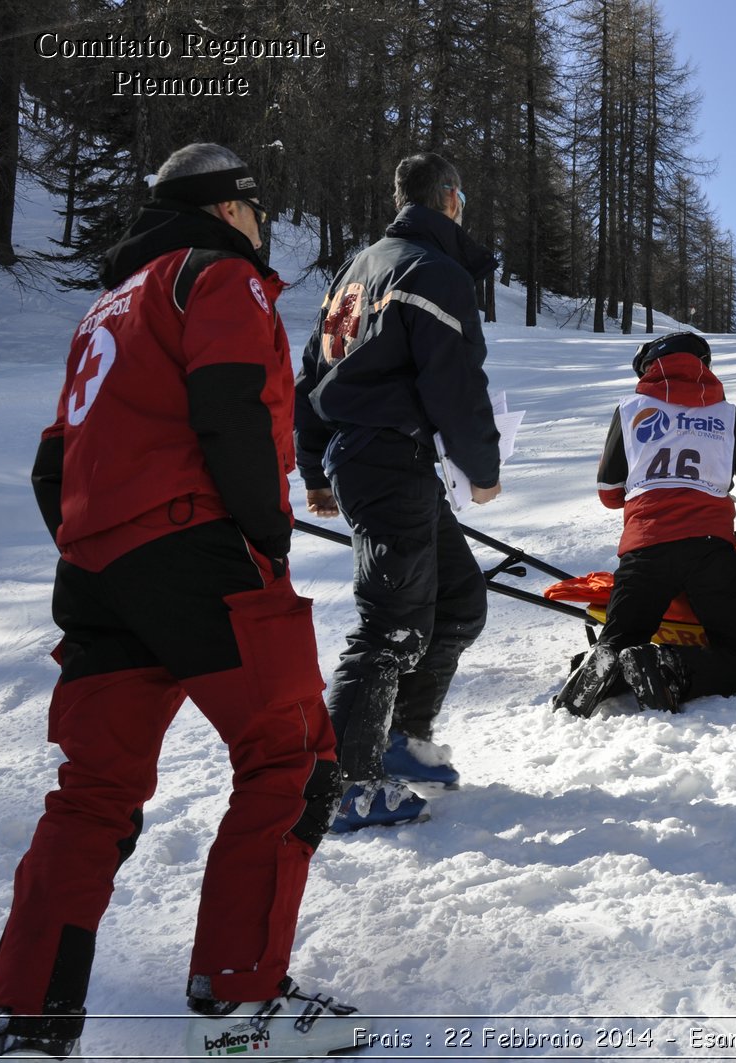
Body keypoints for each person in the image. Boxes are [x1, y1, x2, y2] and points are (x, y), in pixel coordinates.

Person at [0, 144, 360, 1060]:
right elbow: (230, 403)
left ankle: (27, 1020)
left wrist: (99, 542)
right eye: (255, 208)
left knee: (93, 792)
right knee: (294, 755)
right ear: (228, 209)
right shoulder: (217, 276)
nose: (262, 224)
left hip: (99, 570)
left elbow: (49, 462)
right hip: (199, 550)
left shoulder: (109, 306)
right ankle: (242, 1001)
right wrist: (263, 536)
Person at [296, 152, 501, 833]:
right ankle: (342, 784)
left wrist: (316, 468)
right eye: (462, 196)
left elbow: (310, 373)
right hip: (387, 456)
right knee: (392, 621)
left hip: (376, 458)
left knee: (457, 599)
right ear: (449, 200)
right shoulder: (431, 270)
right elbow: (456, 384)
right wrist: (483, 466)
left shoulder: (358, 268)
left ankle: (401, 738)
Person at [553, 331, 736, 717]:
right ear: (704, 366)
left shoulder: (630, 410)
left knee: (619, 641)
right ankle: (667, 665)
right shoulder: (728, 415)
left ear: (647, 369)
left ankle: (601, 664)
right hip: (709, 550)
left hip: (645, 548)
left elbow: (610, 493)